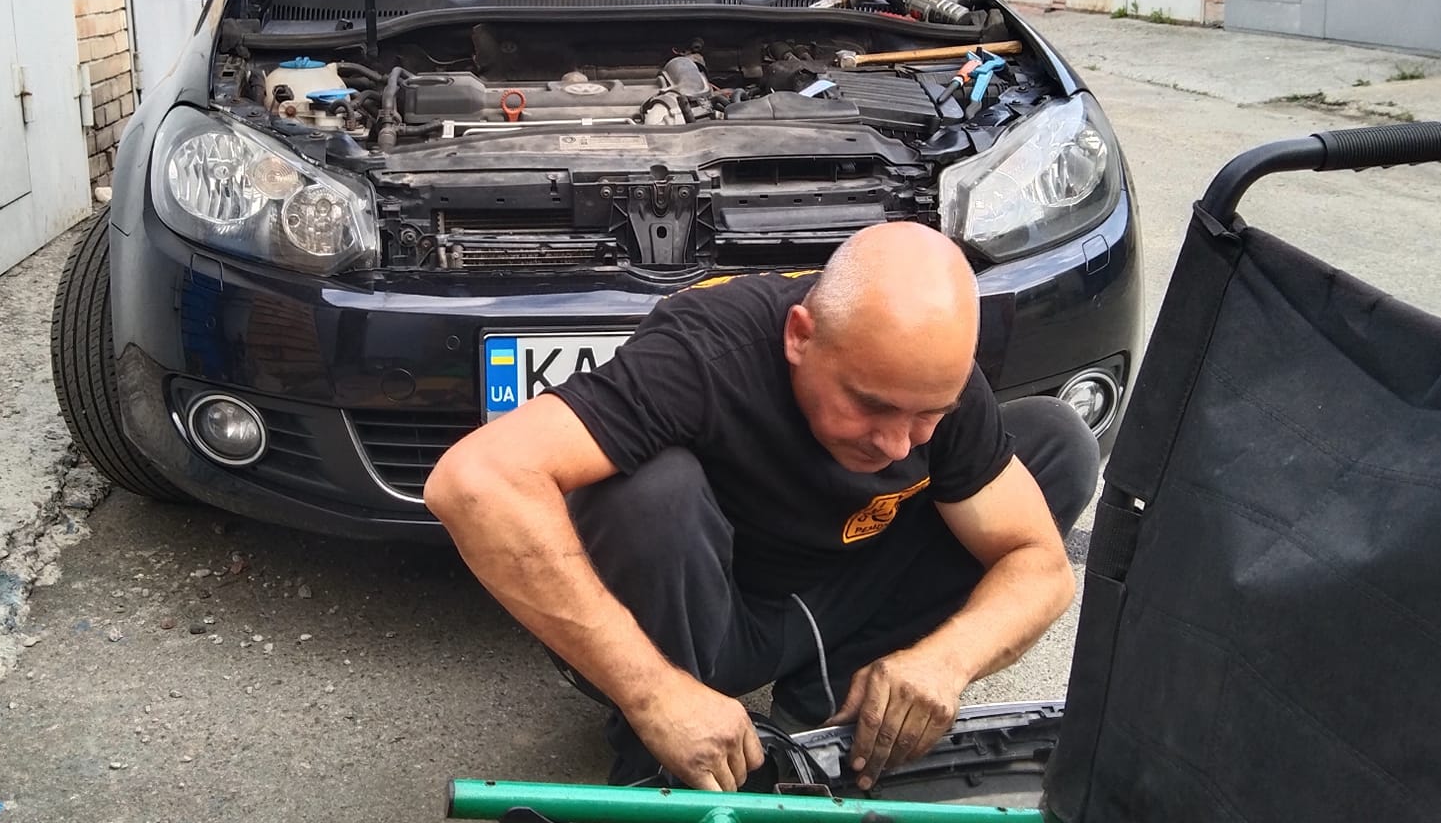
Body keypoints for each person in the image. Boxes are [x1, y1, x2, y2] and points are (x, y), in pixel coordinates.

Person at [424, 222, 1098, 792]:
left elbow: (1040, 565)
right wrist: (655, 694)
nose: (897, 444)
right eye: (871, 405)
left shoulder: (931, 385)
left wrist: (943, 661)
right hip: (704, 621)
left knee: (1057, 441)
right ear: (800, 336)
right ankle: (656, 784)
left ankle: (833, 726)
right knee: (648, 490)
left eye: (927, 414)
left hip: (834, 602)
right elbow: (475, 480)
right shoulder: (706, 350)